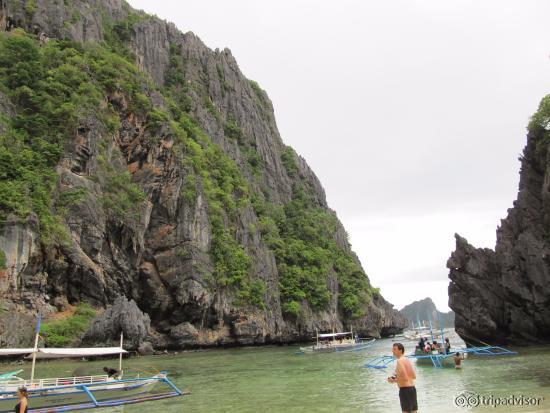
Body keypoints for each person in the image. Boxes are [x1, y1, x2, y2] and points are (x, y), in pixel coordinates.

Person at [387, 343, 418, 413]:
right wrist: (397, 377)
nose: (392, 351)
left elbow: (405, 379)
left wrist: (393, 380)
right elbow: (413, 376)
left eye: (395, 349)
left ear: (400, 350)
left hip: (405, 390)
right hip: (412, 389)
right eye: (392, 349)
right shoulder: (406, 359)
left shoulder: (399, 361)